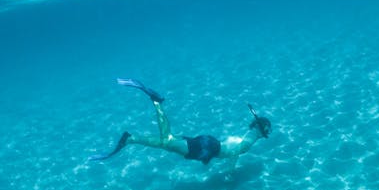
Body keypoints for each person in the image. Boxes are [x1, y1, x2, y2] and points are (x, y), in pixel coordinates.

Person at [89, 78, 271, 165]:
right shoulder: (250, 141)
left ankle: (131, 139)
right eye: (267, 130)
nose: (268, 133)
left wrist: (229, 170)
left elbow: (234, 152)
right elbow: (235, 152)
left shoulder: (248, 138)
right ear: (261, 129)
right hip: (208, 148)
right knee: (167, 141)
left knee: (164, 143)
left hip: (209, 144)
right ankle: (156, 102)